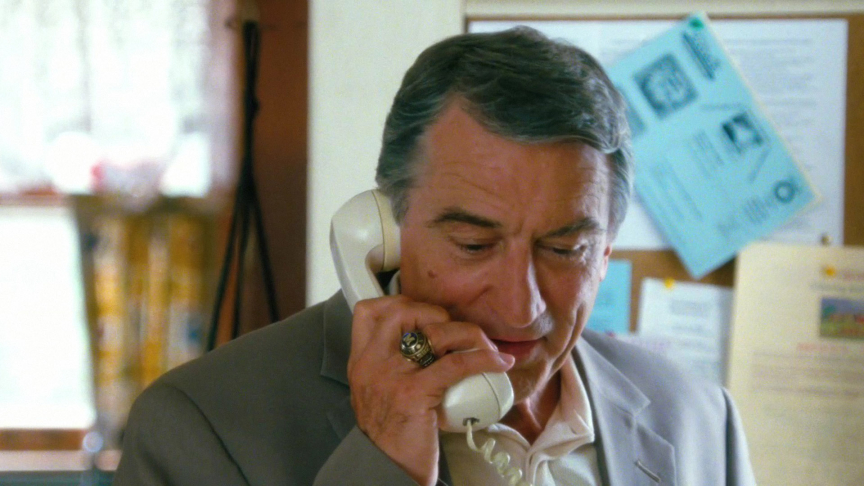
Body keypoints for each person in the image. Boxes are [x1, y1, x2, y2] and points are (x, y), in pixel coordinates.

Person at [113, 27, 755, 485]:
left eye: (565, 249)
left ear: (605, 250)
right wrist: (383, 464)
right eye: (474, 245)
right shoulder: (199, 428)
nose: (520, 305)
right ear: (383, 229)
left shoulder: (701, 420)